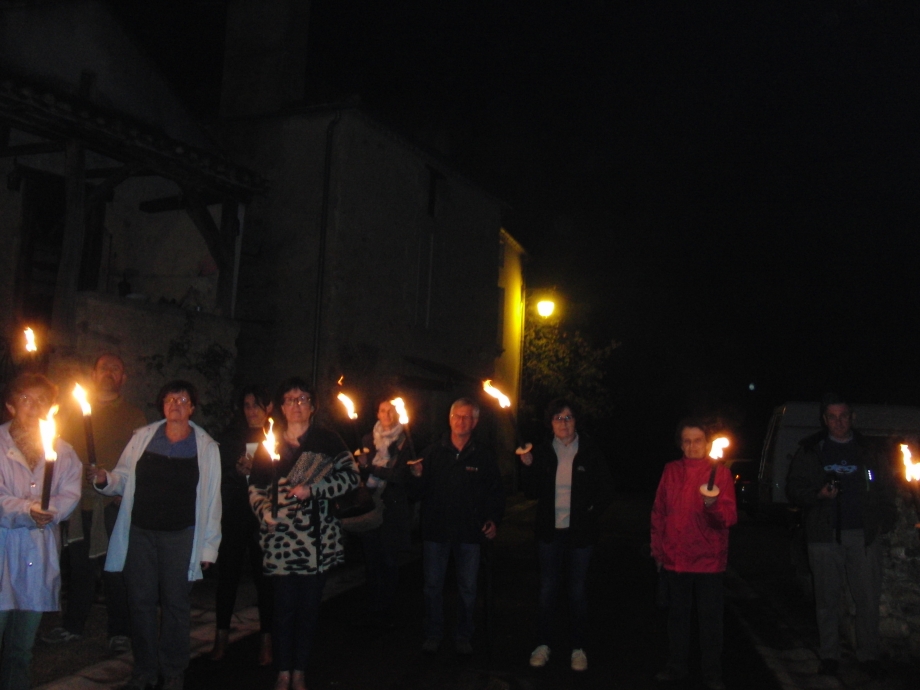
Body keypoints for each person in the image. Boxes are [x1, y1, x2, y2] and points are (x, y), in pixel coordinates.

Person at [89, 380, 222, 690]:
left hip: (181, 536)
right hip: (141, 534)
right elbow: (122, 477)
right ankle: (145, 669)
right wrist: (104, 479)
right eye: (170, 399)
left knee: (176, 604)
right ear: (163, 405)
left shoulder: (206, 447)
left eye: (183, 399)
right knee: (141, 602)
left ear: (192, 407)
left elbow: (212, 500)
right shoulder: (143, 439)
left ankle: (174, 668)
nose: (175, 403)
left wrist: (208, 548)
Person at [248, 378, 359, 690]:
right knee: (282, 609)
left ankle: (300, 670)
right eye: (290, 399)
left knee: (308, 610)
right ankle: (283, 670)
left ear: (312, 406)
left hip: (316, 541)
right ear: (281, 407)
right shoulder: (270, 441)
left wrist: (315, 489)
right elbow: (255, 488)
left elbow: (351, 478)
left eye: (302, 399)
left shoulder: (327, 440)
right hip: (281, 538)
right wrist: (264, 512)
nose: (296, 405)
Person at [786, 394, 896, 678]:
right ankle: (830, 655)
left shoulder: (869, 449)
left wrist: (885, 519)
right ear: (824, 419)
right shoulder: (811, 450)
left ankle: (868, 655)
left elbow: (886, 486)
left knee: (867, 599)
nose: (838, 422)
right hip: (824, 537)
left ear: (852, 417)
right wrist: (818, 495)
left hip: (864, 536)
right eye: (832, 416)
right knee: (826, 600)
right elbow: (794, 489)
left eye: (844, 416)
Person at [45, 353, 147, 653]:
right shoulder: (71, 413)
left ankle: (119, 630)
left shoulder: (134, 416)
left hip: (113, 505)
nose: (109, 373)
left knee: (115, 570)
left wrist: (122, 489)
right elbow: (58, 452)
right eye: (104, 368)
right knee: (79, 568)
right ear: (94, 373)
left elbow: (139, 461)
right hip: (79, 505)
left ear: (123, 378)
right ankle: (73, 625)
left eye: (116, 369)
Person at [0, 373, 82, 689]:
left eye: (42, 401)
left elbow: (69, 492)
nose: (34, 407)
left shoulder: (63, 451)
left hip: (37, 557)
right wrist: (26, 510)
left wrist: (50, 512)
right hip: (5, 552)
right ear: (10, 406)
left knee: (21, 651)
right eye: (26, 400)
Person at [518, 399, 612, 672]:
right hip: (550, 532)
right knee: (548, 589)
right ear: (551, 423)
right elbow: (531, 492)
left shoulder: (590, 450)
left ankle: (578, 648)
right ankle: (543, 644)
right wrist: (528, 466)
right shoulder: (543, 451)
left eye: (568, 417)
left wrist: (590, 514)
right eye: (558, 418)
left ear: (576, 421)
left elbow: (606, 490)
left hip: (580, 535)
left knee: (577, 590)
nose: (563, 423)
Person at [410, 397, 504, 656]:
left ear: (475, 422)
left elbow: (496, 492)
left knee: (468, 588)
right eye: (457, 416)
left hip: (469, 533)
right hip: (436, 532)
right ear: (449, 419)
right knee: (432, 587)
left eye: (467, 417)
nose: (461, 421)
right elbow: (416, 493)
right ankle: (433, 632)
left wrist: (493, 519)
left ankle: (464, 634)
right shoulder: (432, 452)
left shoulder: (483, 456)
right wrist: (416, 477)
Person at [651, 418, 737, 690]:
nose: (691, 446)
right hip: (676, 558)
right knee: (677, 618)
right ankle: (677, 667)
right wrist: (658, 550)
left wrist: (711, 506)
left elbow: (727, 518)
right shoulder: (671, 470)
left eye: (697, 440)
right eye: (686, 441)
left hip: (708, 561)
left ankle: (712, 674)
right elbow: (659, 513)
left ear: (707, 443)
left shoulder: (720, 474)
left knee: (710, 622)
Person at [208, 386, 275, 664]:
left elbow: (282, 475)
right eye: (247, 405)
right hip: (236, 514)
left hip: (264, 518)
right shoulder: (231, 438)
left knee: (265, 579)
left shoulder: (276, 437)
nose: (252, 411)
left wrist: (259, 470)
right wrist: (236, 472)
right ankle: (221, 637)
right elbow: (219, 474)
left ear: (268, 407)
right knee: (228, 576)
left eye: (257, 405)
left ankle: (267, 640)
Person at [356, 398, 414, 628]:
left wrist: (374, 469)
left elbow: (401, 476)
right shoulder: (368, 439)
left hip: (391, 507)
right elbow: (361, 475)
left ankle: (389, 605)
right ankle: (373, 605)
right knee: (372, 559)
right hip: (370, 504)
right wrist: (362, 467)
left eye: (390, 411)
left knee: (389, 558)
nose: (386, 414)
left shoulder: (405, 441)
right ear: (377, 414)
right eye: (382, 410)